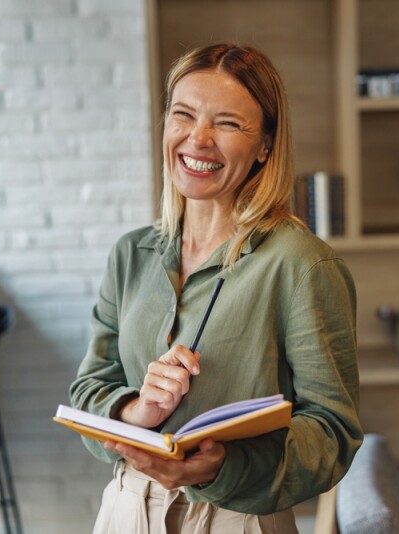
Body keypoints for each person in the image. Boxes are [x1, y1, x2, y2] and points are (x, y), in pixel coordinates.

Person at [70, 43, 363, 533]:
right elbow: (87, 391)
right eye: (183, 115)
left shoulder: (303, 265)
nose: (199, 139)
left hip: (236, 519)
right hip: (125, 509)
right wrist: (138, 410)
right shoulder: (131, 254)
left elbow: (333, 435)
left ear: (265, 145)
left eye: (227, 124)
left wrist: (223, 467)